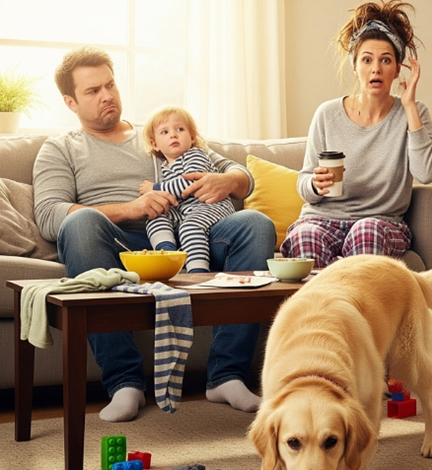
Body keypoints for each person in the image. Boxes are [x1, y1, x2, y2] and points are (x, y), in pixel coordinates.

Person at [33, 46, 275, 422]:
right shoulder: (61, 148)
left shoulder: (159, 131)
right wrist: (131, 208)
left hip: (188, 236)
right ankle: (124, 382)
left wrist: (229, 179)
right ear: (70, 102)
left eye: (110, 85)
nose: (107, 96)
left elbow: (238, 175)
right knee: (78, 225)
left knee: (256, 224)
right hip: (118, 245)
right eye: (92, 91)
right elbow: (50, 215)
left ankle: (227, 375)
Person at [280, 0, 432, 267]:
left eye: (385, 60)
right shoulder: (327, 114)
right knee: (306, 236)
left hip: (380, 224)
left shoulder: (414, 113)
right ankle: (325, 310)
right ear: (355, 67)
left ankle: (363, 310)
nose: (375, 68)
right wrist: (314, 185)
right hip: (321, 219)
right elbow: (304, 184)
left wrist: (409, 104)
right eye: (366, 60)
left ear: (397, 68)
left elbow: (427, 173)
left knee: (366, 231)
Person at [139, 105, 235, 273]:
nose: (173, 135)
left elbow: (187, 185)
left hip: (211, 206)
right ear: (155, 144)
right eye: (165, 132)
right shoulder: (165, 166)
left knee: (190, 227)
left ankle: (198, 272)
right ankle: (166, 252)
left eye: (180, 129)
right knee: (155, 216)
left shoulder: (194, 155)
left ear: (192, 137)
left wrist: (154, 188)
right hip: (186, 210)